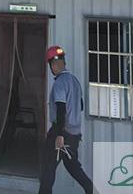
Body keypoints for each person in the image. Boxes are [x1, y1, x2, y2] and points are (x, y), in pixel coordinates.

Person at [38, 45, 93, 194]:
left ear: (52, 65)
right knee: (73, 167)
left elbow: (61, 109)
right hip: (74, 135)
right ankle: (91, 190)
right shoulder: (74, 81)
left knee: (47, 170)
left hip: (61, 133)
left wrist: (59, 134)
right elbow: (80, 106)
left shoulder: (60, 83)